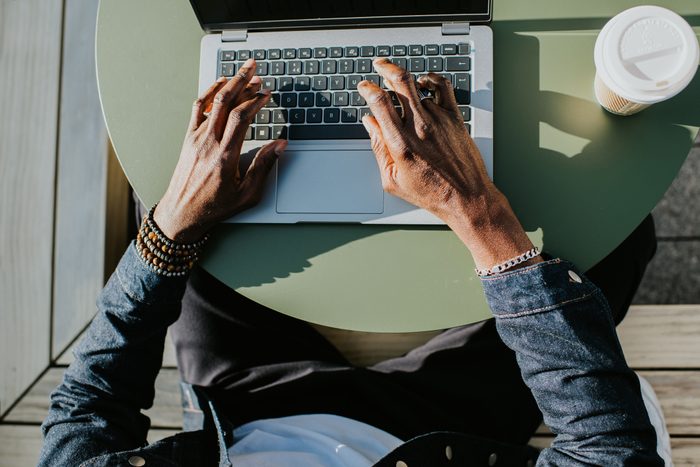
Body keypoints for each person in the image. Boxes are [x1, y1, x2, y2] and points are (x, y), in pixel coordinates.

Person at [39, 58, 667, 466]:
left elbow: (88, 408)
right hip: (441, 429)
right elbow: (613, 454)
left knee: (192, 213)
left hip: (245, 407)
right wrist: (475, 214)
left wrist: (172, 229)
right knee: (614, 242)